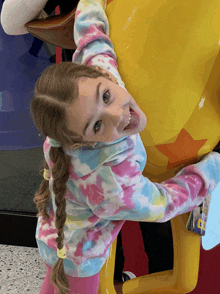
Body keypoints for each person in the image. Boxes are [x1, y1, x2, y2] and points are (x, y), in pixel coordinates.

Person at [2, 0, 220, 294]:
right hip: (82, 259)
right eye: (96, 126)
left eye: (106, 97)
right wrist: (210, 170)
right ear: (82, 142)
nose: (118, 115)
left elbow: (92, 40)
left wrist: (92, 2)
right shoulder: (111, 183)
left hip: (51, 236)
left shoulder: (97, 80)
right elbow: (163, 203)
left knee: (52, 285)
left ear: (100, 77)